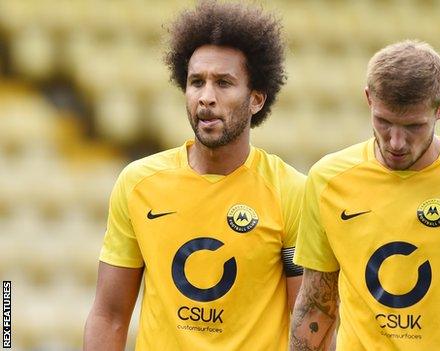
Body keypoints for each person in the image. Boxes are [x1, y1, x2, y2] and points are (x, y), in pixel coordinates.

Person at [290, 40, 440, 351]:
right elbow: (317, 307)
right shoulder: (327, 180)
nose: (395, 141)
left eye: (413, 126)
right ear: (369, 100)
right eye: (384, 122)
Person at [83, 1, 304, 350]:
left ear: (256, 99)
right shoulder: (138, 183)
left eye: (224, 83)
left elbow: (307, 324)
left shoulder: (292, 192)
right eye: (196, 82)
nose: (206, 98)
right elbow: (109, 315)